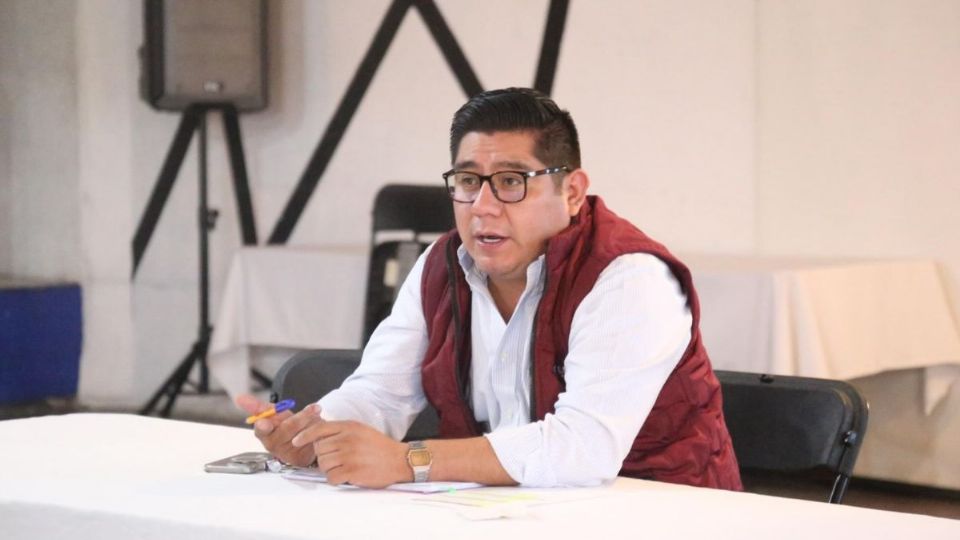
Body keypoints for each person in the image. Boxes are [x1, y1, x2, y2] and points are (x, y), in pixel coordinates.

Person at [237, 87, 742, 490]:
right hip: (507, 513)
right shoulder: (441, 265)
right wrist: (312, 434)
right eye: (467, 181)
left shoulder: (628, 277)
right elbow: (381, 393)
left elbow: (582, 449)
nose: (482, 206)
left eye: (511, 181)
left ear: (571, 192)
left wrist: (409, 460)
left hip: (655, 514)